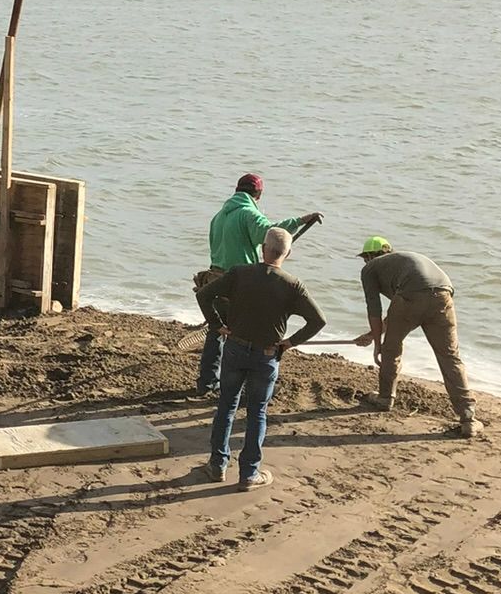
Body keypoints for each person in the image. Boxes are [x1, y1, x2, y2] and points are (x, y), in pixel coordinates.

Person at [197, 227, 326, 489]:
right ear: (288, 253)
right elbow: (318, 320)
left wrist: (217, 324)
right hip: (267, 355)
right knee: (257, 413)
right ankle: (249, 474)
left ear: (262, 249)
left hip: (234, 347)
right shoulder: (292, 285)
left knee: (227, 406)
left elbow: (204, 294)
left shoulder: (240, 273)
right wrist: (290, 343)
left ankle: (218, 464)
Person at [195, 173, 322, 396]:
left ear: (236, 190)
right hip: (241, 282)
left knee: (217, 331)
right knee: (246, 335)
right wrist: (300, 221)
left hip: (216, 278)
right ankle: (244, 386)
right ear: (258, 195)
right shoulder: (247, 213)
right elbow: (272, 234)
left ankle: (206, 382)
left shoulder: (219, 216)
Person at [353, 236, 478, 438]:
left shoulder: (370, 269)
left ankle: (385, 398)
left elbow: (375, 310)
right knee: (450, 357)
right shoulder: (402, 262)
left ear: (368, 257)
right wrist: (371, 336)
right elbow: (402, 309)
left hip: (411, 296)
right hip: (443, 295)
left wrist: (378, 344)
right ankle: (468, 418)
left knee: (391, 350)